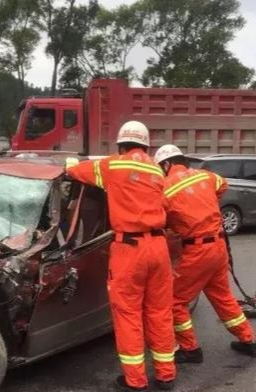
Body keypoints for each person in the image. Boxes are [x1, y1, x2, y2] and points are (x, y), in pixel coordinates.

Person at [65, 121, 175, 392]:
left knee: (128, 314)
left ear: (121, 145)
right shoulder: (156, 171)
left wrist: (69, 162)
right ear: (146, 145)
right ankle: (166, 375)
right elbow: (166, 204)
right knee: (160, 312)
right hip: (159, 247)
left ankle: (135, 381)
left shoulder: (113, 166)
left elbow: (76, 171)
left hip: (130, 248)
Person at [153, 144, 256, 364]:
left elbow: (161, 219)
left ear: (167, 164)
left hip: (197, 251)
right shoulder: (206, 176)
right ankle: (249, 341)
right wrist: (204, 205)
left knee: (175, 300)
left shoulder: (165, 187)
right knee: (223, 297)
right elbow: (223, 186)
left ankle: (190, 349)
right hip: (217, 247)